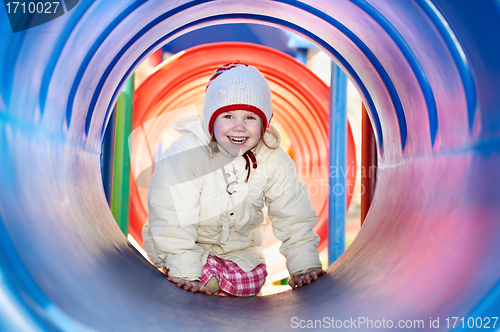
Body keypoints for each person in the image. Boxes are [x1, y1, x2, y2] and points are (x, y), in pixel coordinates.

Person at [143, 62, 325, 296]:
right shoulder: (188, 153)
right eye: (228, 116)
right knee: (197, 279)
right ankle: (196, 280)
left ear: (264, 123)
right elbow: (171, 213)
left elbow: (293, 212)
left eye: (250, 117)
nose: (239, 127)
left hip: (239, 252)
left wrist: (304, 266)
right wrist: (185, 271)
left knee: (252, 279)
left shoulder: (273, 158)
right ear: (212, 119)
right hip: (188, 246)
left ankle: (224, 296)